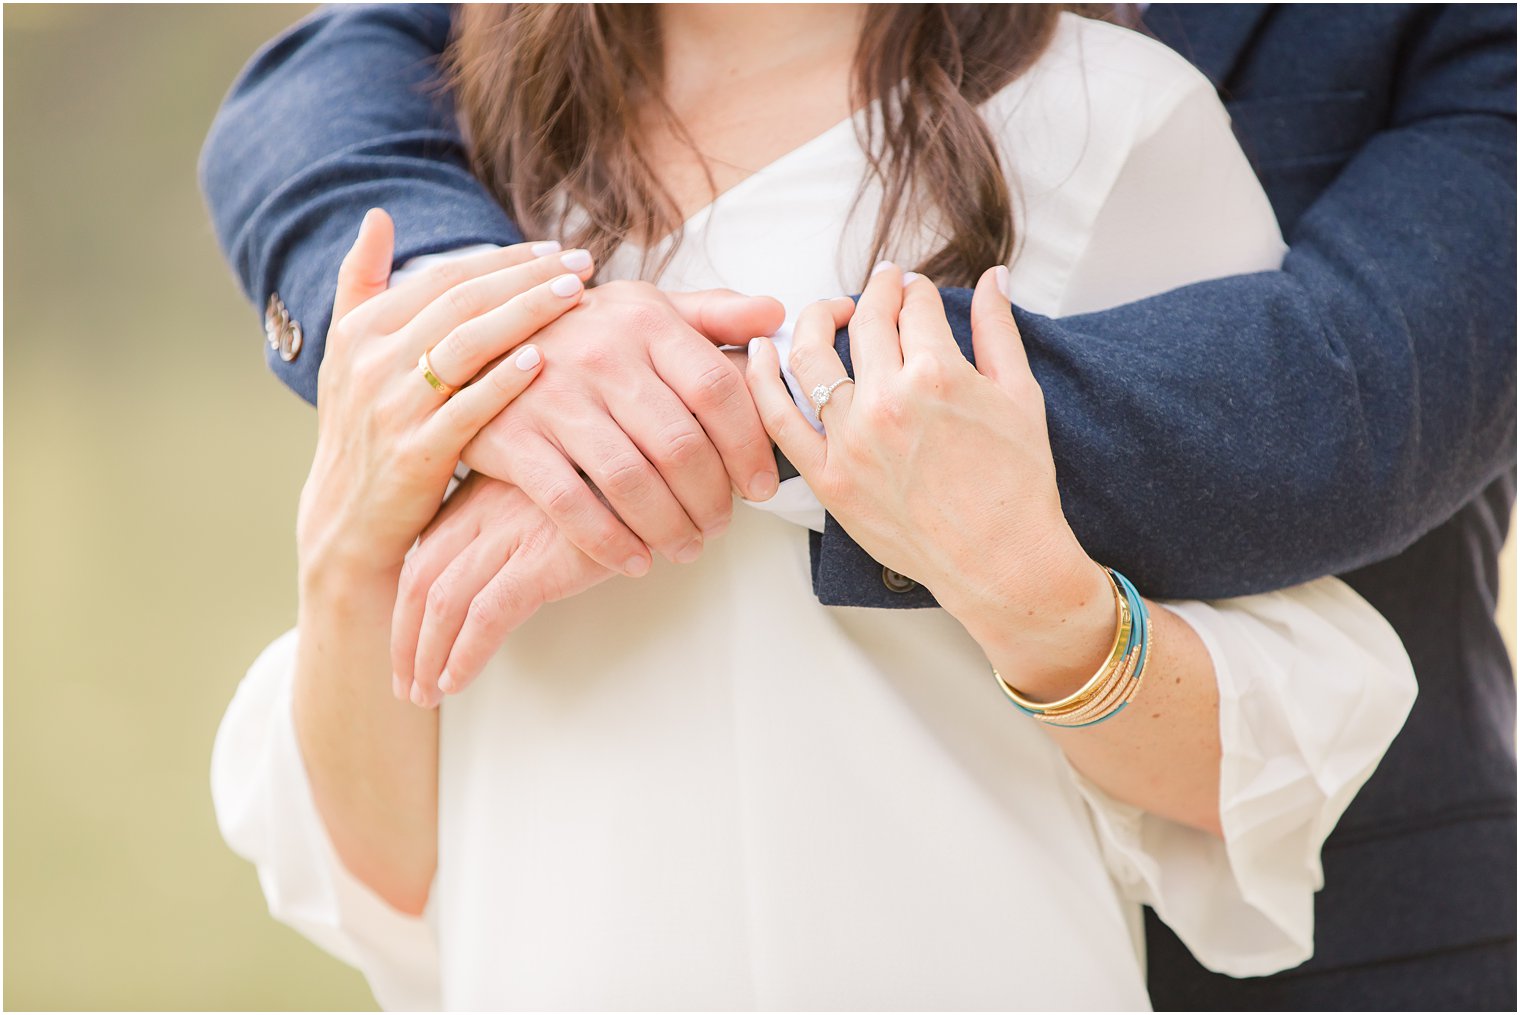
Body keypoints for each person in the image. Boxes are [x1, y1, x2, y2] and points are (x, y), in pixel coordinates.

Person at [201, 3, 1515, 1010]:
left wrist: (1033, 604)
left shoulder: (1104, 126)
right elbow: (388, 872)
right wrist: (346, 555)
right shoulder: (470, 176)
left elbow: (1275, 742)